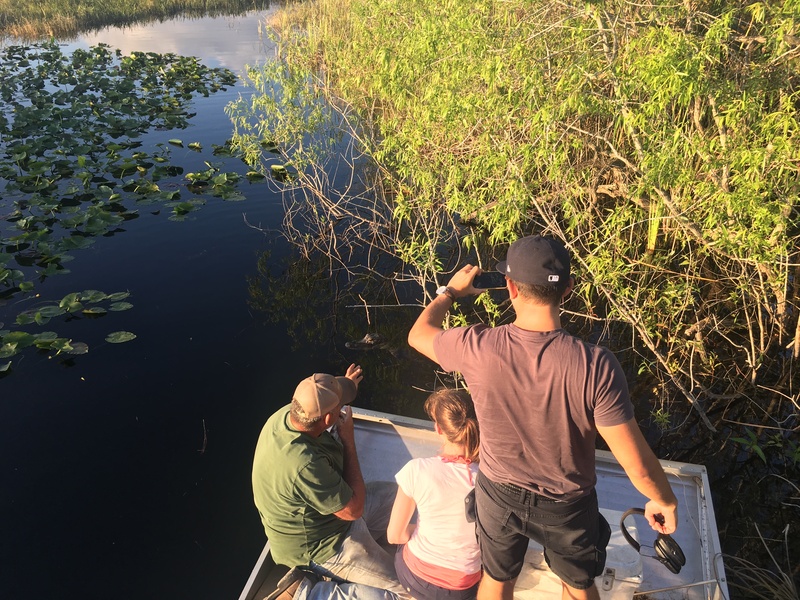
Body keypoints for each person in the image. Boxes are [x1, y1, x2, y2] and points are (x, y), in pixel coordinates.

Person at [407, 235, 679, 600]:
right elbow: (638, 467)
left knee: (496, 578)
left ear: (510, 287)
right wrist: (665, 501)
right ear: (568, 289)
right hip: (567, 508)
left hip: (498, 493)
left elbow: (418, 335)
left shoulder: (477, 346)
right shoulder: (596, 366)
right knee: (579, 585)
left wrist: (451, 292)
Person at [252, 364, 406, 596]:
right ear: (327, 418)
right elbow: (354, 510)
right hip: (323, 545)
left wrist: (345, 384)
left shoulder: (289, 414)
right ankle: (312, 591)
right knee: (408, 590)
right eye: (340, 406)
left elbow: (322, 396)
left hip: (332, 514)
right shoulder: (304, 464)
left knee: (402, 496)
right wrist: (348, 439)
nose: (343, 407)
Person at [387, 388, 482, 600]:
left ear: (438, 429)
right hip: (463, 591)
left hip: (416, 581)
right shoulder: (492, 478)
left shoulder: (417, 470)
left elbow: (394, 536)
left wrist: (419, 529)